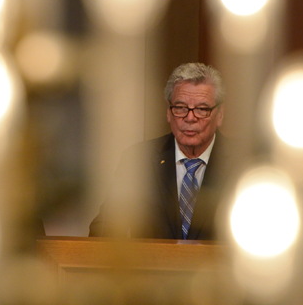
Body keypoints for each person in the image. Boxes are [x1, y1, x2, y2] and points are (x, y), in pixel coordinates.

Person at [89, 62, 232, 240]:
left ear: (220, 115)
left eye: (202, 109)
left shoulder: (242, 161)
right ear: (168, 113)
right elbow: (103, 229)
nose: (190, 117)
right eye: (180, 108)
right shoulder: (140, 159)